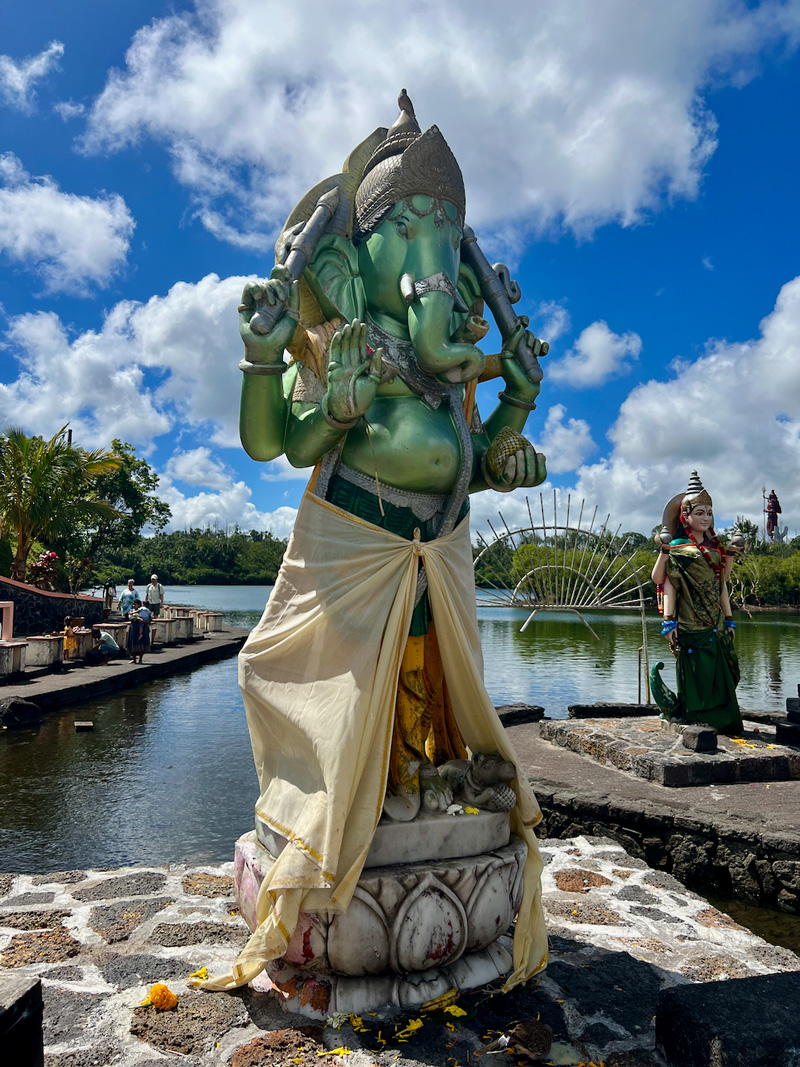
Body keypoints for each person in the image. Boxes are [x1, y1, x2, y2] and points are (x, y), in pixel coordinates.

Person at [199, 93, 548, 995]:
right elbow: (276, 443)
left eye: (446, 230)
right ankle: (337, 826)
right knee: (340, 686)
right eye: (411, 228)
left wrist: (512, 417)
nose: (431, 251)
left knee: (432, 678)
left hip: (439, 552)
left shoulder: (447, 371)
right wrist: (272, 363)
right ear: (357, 261)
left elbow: (472, 461)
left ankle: (429, 781)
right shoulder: (343, 339)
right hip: (358, 547)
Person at [651, 471, 744, 734]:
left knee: (725, 674)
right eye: (699, 513)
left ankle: (722, 721)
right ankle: (695, 718)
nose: (706, 518)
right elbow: (663, 581)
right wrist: (669, 621)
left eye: (709, 513)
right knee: (697, 675)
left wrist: (728, 618)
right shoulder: (679, 548)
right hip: (690, 622)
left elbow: (721, 584)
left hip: (716, 622)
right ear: (685, 516)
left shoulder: (715, 549)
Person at [127, 600, 151, 664]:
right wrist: (138, 619)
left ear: (139, 605)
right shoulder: (132, 611)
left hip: (143, 629)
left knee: (143, 644)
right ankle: (134, 659)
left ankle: (140, 659)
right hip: (134, 629)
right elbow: (130, 617)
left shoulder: (145, 610)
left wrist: (145, 621)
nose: (134, 606)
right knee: (133, 643)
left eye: (135, 604)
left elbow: (150, 618)